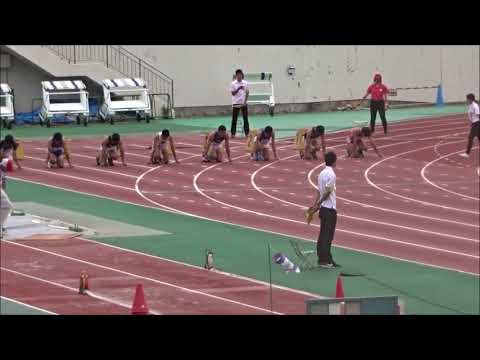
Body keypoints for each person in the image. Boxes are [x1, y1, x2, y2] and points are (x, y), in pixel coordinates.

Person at [307, 151, 340, 268]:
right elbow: (327, 192)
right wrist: (319, 203)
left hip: (323, 209)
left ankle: (325, 258)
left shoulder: (321, 173)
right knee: (328, 236)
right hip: (329, 208)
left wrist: (316, 205)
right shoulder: (331, 175)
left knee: (322, 235)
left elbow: (319, 191)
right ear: (334, 161)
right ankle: (325, 260)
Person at [459, 93, 480, 175]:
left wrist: (475, 124)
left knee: (470, 137)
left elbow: (478, 115)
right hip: (474, 123)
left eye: (467, 99)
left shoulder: (475, 106)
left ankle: (467, 153)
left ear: (470, 99)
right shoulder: (471, 105)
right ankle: (467, 153)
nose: (466, 100)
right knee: (477, 138)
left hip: (477, 124)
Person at [230, 69, 250, 138]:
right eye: (237, 75)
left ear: (242, 75)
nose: (239, 76)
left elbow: (247, 92)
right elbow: (233, 93)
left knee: (245, 119)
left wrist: (245, 102)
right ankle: (233, 133)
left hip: (243, 103)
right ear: (236, 76)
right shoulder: (233, 83)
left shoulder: (246, 83)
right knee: (234, 119)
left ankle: (247, 133)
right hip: (236, 103)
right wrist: (238, 88)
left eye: (240, 74)